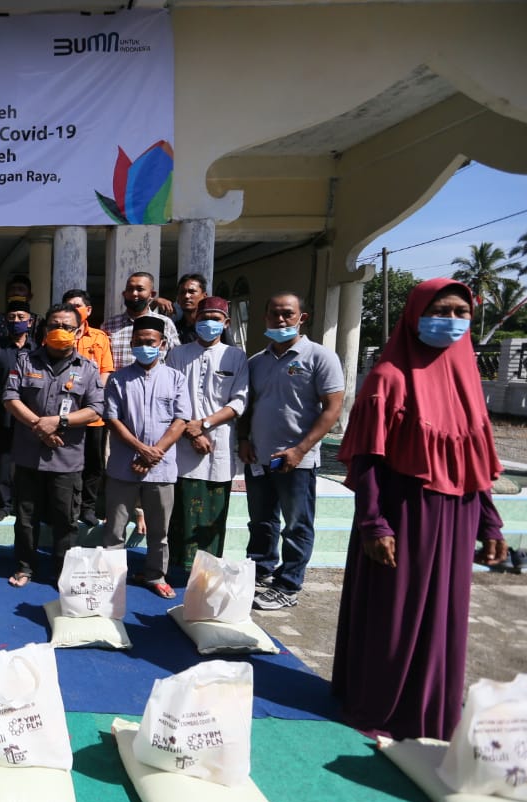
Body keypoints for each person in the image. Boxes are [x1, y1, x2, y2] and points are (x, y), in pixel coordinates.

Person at [332, 278, 505, 740]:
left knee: (445, 616)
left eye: (461, 313)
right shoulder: (388, 377)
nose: (451, 321)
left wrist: (490, 523)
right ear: (415, 315)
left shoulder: (468, 380)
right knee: (395, 616)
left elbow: (476, 461)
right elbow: (367, 460)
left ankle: (427, 712)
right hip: (404, 514)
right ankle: (379, 708)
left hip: (458, 518)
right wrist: (373, 523)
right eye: (440, 311)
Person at [238, 292, 344, 610]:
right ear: (265, 317)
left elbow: (332, 409)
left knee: (296, 524)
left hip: (296, 460)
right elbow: (248, 406)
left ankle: (288, 584)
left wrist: (300, 450)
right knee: (261, 521)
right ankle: (260, 571)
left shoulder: (320, 357)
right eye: (274, 313)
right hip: (259, 458)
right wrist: (243, 440)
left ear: (302, 318)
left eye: (287, 313)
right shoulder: (256, 362)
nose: (280, 319)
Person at [3, 304, 105, 586]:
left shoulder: (88, 368)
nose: (60, 331)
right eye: (54, 326)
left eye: (67, 327)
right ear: (45, 329)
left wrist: (58, 422)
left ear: (79, 331)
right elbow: (10, 398)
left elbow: (96, 409)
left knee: (65, 519)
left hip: (66, 459)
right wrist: (40, 425)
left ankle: (63, 571)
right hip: (28, 456)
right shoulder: (25, 361)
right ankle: (25, 567)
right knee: (25, 517)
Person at [102, 316, 190, 598]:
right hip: (123, 465)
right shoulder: (118, 379)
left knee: (159, 531)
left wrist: (155, 453)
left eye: (150, 342)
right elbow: (112, 419)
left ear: (162, 344)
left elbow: (180, 420)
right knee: (115, 529)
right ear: (131, 344)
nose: (144, 347)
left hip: (161, 468)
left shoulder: (176, 378)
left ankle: (155, 575)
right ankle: (111, 578)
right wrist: (141, 449)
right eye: (138, 342)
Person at [165, 296, 248, 574]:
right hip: (182, 441)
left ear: (226, 323)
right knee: (180, 508)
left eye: (215, 319)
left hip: (218, 443)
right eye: (204, 318)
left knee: (213, 509)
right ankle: (175, 569)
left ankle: (207, 572)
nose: (209, 323)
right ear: (195, 320)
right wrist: (192, 432)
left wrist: (204, 424)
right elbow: (172, 397)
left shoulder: (236, 357)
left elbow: (239, 401)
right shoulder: (177, 354)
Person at [62, 289, 115, 527]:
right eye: (68, 306)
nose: (72, 310)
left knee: (93, 463)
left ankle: (88, 507)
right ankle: (68, 506)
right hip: (66, 412)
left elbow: (106, 371)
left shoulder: (99, 337)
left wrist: (91, 398)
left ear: (88, 310)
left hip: (93, 414)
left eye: (77, 306)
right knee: (66, 461)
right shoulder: (58, 335)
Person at [0, 298, 37, 520]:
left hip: (30, 416)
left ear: (30, 322)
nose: (16, 321)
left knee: (28, 462)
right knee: (2, 461)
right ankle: (3, 504)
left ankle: (24, 504)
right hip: (3, 415)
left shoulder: (38, 349)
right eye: (12, 317)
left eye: (21, 317)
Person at [100, 272, 180, 369]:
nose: (134, 294)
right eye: (130, 289)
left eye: (140, 289)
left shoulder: (165, 323)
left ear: (152, 294)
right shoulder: (109, 325)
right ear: (124, 294)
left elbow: (176, 360)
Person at [172, 273, 235, 346]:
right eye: (182, 292)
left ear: (204, 296)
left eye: (192, 292)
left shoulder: (213, 326)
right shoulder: (175, 329)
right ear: (178, 299)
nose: (186, 296)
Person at [0, 275, 39, 342]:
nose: (16, 293)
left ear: (30, 296)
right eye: (12, 289)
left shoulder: (38, 321)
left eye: (21, 289)